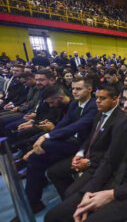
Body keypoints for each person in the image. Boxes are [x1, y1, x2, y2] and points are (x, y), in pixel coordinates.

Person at [45, 82, 127, 222]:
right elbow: (108, 160)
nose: (126, 105)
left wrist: (111, 194)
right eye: (124, 100)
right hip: (110, 182)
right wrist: (89, 190)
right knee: (54, 216)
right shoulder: (120, 124)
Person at [11, 77, 98, 221]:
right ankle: (33, 202)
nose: (74, 92)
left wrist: (47, 137)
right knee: (36, 159)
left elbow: (77, 126)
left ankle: (35, 198)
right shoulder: (75, 104)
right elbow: (64, 123)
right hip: (68, 141)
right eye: (73, 88)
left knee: (42, 148)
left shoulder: (94, 105)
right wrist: (46, 135)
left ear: (89, 89)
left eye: (79, 89)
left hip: (82, 145)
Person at [47, 85, 125, 200]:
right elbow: (90, 137)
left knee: (70, 194)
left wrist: (88, 163)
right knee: (53, 172)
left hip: (98, 164)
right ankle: (70, 203)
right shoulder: (100, 113)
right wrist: (79, 154)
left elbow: (112, 153)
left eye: (102, 98)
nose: (97, 101)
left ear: (115, 99)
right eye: (97, 97)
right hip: (87, 156)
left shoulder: (121, 120)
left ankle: (72, 201)